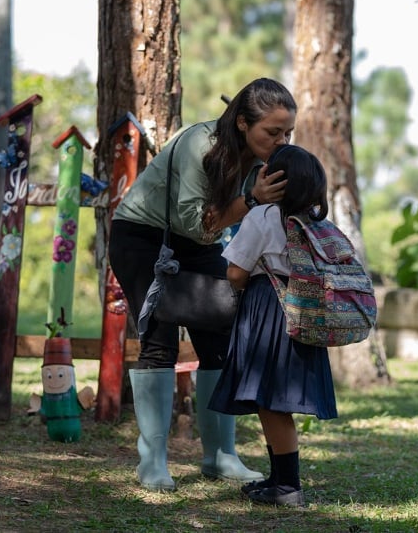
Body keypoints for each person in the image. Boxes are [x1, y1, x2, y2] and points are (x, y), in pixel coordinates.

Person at [108, 78, 297, 492]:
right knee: (159, 342)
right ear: (244, 124)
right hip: (144, 238)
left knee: (223, 338)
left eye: (287, 133)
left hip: (200, 244)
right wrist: (253, 199)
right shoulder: (201, 144)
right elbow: (198, 221)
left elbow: (214, 231)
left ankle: (220, 456)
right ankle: (152, 462)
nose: (281, 140)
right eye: (272, 132)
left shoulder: (264, 160)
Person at [208, 144, 338, 508]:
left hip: (270, 309)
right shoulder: (316, 222)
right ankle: (279, 478)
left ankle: (289, 486)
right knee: (272, 401)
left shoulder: (264, 216)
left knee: (272, 401)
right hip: (305, 313)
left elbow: (235, 272)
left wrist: (243, 286)